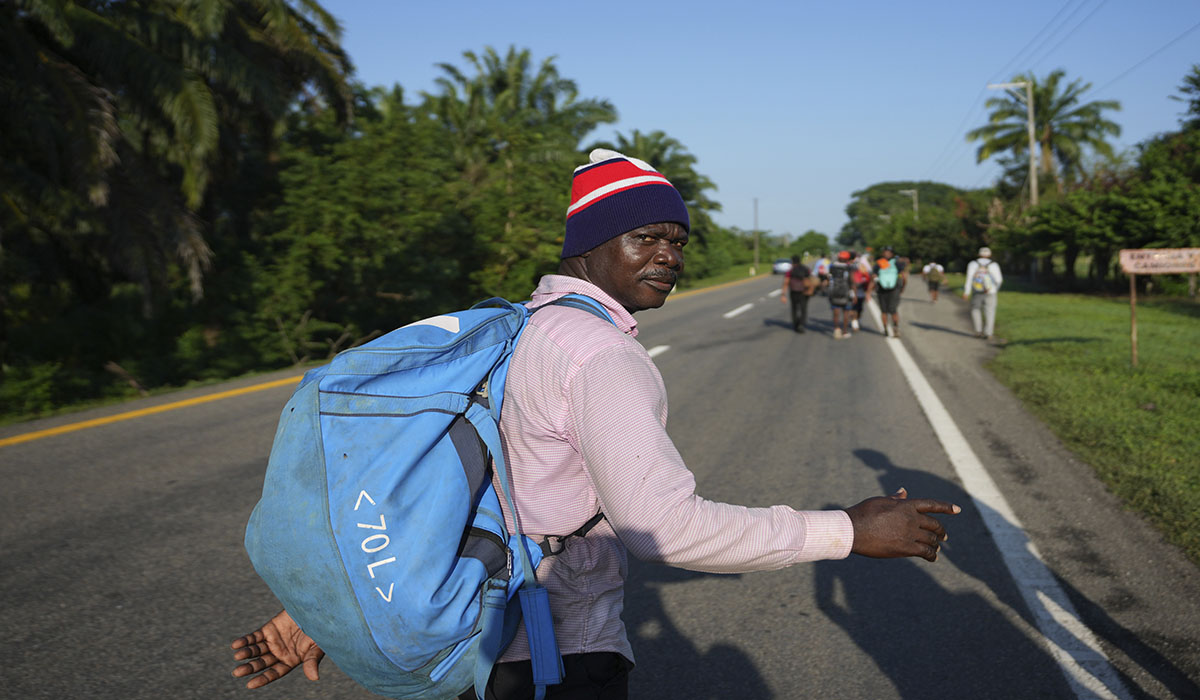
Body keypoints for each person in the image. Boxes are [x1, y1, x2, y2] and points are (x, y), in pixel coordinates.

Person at [230, 150, 960, 699]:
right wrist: (847, 531)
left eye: (678, 240)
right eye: (646, 237)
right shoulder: (600, 355)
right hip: (556, 651)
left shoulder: (518, 329)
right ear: (590, 244)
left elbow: (454, 488)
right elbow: (664, 529)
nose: (669, 256)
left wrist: (328, 608)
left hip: (484, 643)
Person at [963, 246, 1003, 340]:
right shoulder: (994, 265)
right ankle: (988, 333)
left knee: (975, 309)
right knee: (990, 311)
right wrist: (994, 289)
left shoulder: (973, 264)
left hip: (977, 291)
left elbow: (969, 278)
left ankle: (978, 331)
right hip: (990, 292)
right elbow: (999, 280)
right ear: (990, 254)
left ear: (979, 254)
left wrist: (966, 292)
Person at [870, 245, 907, 338]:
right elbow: (904, 277)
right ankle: (893, 328)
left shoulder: (879, 263)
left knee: (886, 311)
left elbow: (873, 277)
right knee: (891, 310)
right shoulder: (896, 263)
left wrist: (870, 290)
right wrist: (902, 288)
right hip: (891, 290)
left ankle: (888, 329)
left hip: (884, 289)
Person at [823, 250, 856, 339]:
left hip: (834, 293)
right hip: (846, 293)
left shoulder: (832, 266)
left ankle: (837, 329)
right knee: (846, 313)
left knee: (836, 312)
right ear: (847, 259)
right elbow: (852, 281)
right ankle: (844, 331)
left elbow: (828, 278)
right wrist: (854, 294)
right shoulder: (849, 268)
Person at [779, 254, 814, 332]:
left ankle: (795, 324)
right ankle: (801, 324)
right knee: (803, 308)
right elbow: (811, 279)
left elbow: (786, 282)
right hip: (804, 291)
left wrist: (783, 294)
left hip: (794, 291)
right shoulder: (806, 269)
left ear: (792, 262)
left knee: (794, 308)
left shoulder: (790, 271)